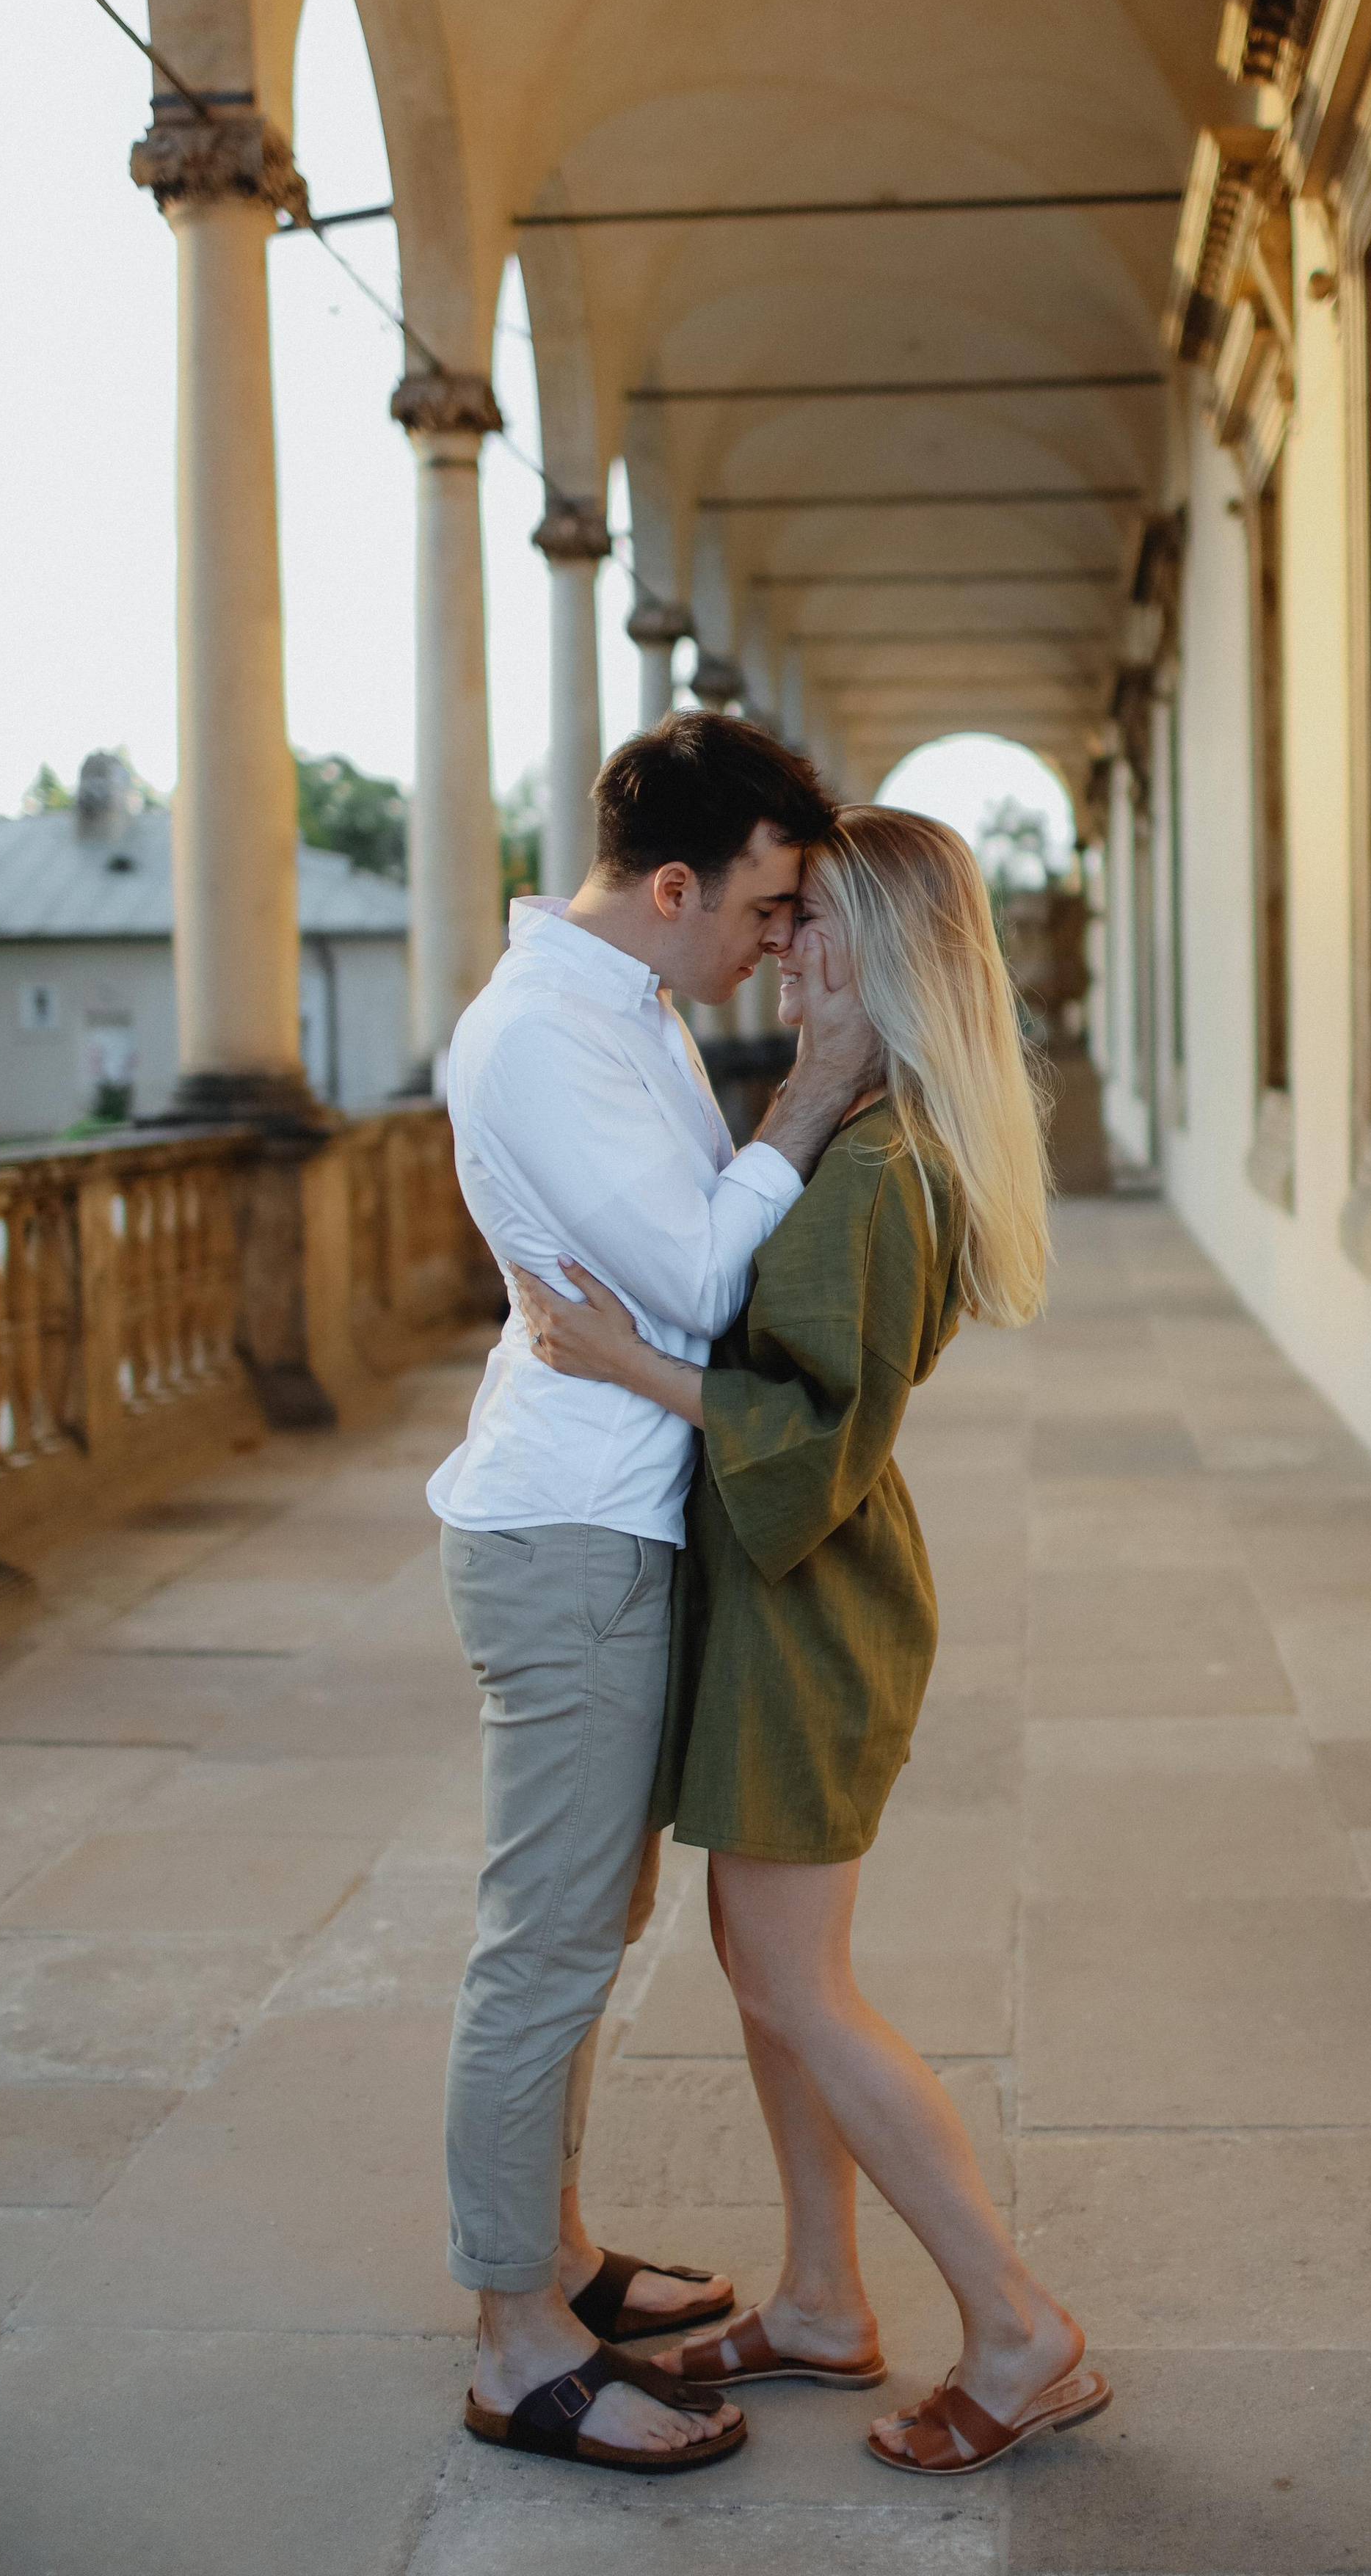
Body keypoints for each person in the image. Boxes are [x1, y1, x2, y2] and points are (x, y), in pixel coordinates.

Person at [513, 804, 1110, 2479]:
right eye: (779, 922)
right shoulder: (861, 1126)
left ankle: (1014, 2326)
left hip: (812, 1603)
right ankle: (828, 2300)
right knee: (767, 1975)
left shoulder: (878, 1167)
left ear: (889, 956)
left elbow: (813, 1433)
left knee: (794, 1979)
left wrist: (617, 1356)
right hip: (800, 1600)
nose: (780, 946)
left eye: (813, 925)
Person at [429, 714, 883, 2475]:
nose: (778, 942)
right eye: (765, 907)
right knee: (542, 1951)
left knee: (586, 1931)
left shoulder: (624, 1013)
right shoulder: (544, 1033)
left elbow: (671, 1274)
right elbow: (695, 1276)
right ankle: (512, 2341)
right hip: (571, 1535)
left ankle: (550, 2262)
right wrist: (817, 1084)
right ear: (676, 885)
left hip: (621, 1515)